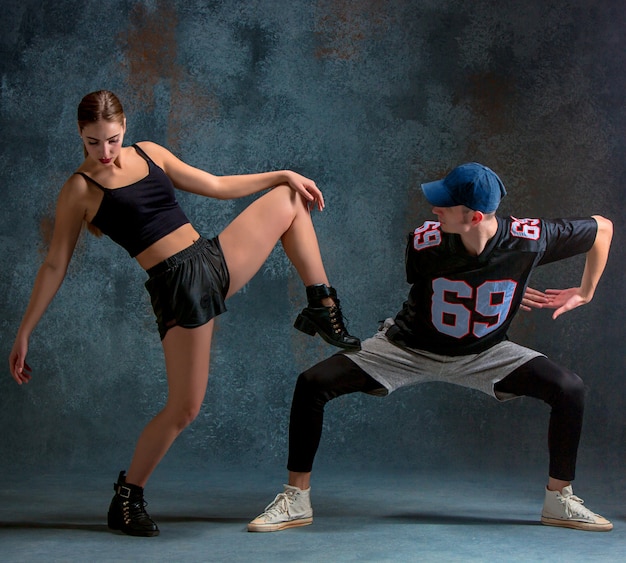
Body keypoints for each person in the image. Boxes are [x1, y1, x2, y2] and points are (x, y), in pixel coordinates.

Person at [8, 90, 360, 537]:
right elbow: (55, 263)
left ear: (125, 128)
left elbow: (214, 185)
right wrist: (25, 331)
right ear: (81, 135)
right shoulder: (81, 188)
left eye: (112, 140)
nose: (106, 152)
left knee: (289, 197)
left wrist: (283, 172)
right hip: (178, 287)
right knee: (185, 407)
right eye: (94, 142)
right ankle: (127, 497)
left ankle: (322, 307)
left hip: (210, 259)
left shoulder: (149, 153)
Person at [248, 162, 614, 533]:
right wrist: (497, 291)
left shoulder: (529, 238)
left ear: (473, 216)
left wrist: (585, 292)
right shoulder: (426, 242)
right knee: (312, 383)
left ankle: (559, 498)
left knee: (569, 389)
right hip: (408, 349)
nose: (434, 210)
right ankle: (296, 498)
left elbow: (603, 228)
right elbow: (433, 293)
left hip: (485, 355)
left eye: (445, 205)